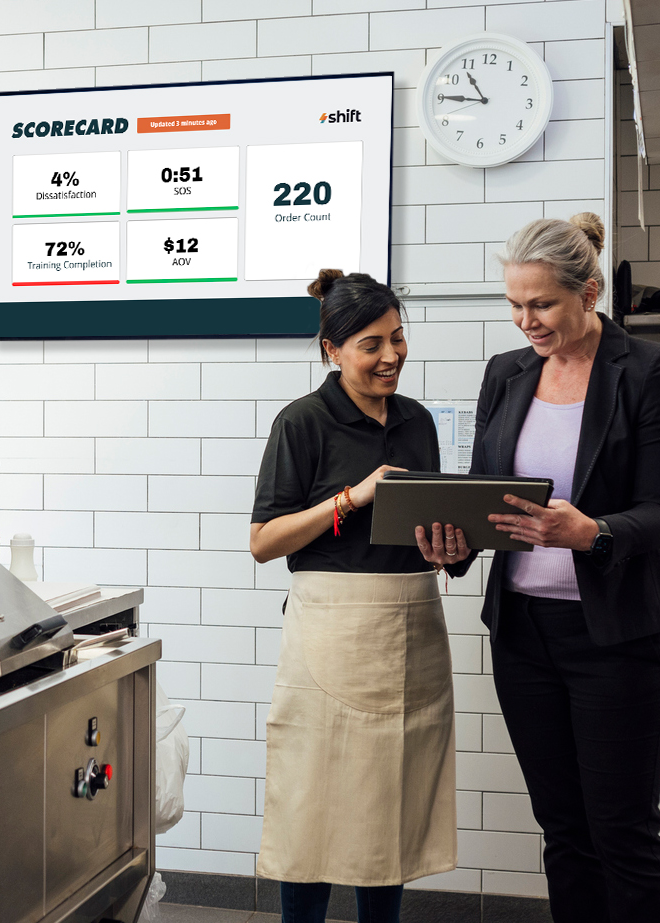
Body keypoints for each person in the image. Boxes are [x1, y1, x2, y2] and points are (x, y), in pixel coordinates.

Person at [417, 214, 660, 923]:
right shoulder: (506, 374)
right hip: (524, 636)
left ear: (589, 291)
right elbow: (488, 496)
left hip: (617, 639)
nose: (526, 320)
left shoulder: (648, 369)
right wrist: (458, 546)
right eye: (515, 304)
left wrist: (592, 531)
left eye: (541, 303)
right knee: (564, 831)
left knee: (623, 833)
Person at [250, 269, 456, 923]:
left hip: (412, 628)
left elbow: (429, 520)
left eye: (398, 338)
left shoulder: (418, 422)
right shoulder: (303, 423)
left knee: (388, 812)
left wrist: (453, 546)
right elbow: (264, 540)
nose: (391, 355)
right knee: (313, 810)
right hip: (330, 636)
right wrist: (353, 495)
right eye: (372, 343)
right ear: (332, 349)